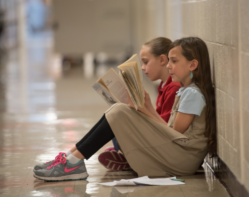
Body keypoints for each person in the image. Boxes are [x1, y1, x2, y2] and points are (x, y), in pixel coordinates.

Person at [33, 37, 217, 181]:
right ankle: (71, 157)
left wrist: (145, 110)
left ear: (193, 65)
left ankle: (72, 162)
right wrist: (146, 108)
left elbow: (175, 134)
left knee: (120, 112)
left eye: (174, 61)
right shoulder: (186, 91)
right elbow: (170, 131)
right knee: (119, 111)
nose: (169, 66)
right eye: (169, 61)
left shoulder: (192, 94)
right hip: (178, 154)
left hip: (183, 160)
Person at [99, 37, 181, 170]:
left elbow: (164, 129)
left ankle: (126, 155)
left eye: (145, 62)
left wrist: (141, 109)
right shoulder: (163, 85)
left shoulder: (174, 88)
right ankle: (124, 152)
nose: (142, 68)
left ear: (162, 60)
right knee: (116, 117)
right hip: (159, 137)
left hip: (164, 144)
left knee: (119, 118)